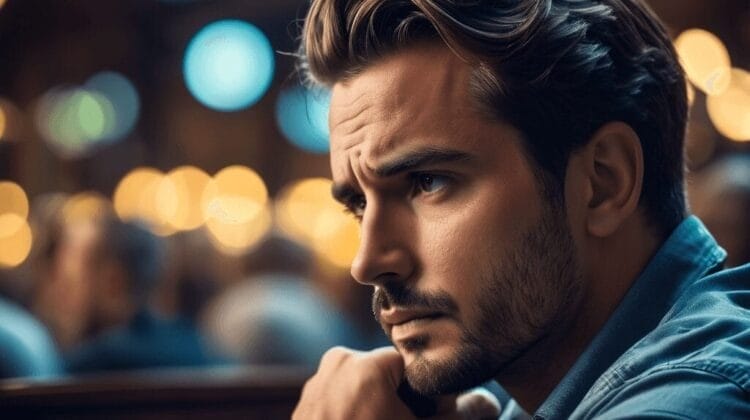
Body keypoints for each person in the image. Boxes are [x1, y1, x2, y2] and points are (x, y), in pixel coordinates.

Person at [291, 0, 750, 419]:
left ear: (603, 182)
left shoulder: (693, 401)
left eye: (427, 182)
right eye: (358, 205)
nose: (367, 263)